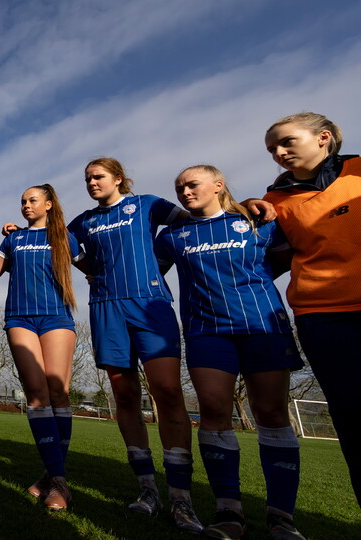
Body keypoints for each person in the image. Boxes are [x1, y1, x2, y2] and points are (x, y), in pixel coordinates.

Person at [155, 165, 305, 539]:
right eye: (179, 187)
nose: (185, 192)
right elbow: (150, 272)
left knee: (271, 412)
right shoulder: (173, 235)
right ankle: (228, 510)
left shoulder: (257, 222)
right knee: (214, 412)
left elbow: (284, 259)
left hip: (263, 326)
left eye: (192, 184)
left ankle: (281, 516)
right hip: (207, 332)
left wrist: (247, 283)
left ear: (217, 185)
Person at [66, 157, 202, 531]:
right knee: (124, 396)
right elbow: (66, 248)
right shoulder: (83, 221)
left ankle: (180, 498)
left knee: (167, 391)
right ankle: (146, 489)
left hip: (150, 304)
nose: (92, 182)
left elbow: (194, 218)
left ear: (118, 179)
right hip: (106, 308)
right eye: (87, 178)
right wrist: (89, 270)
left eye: (98, 177)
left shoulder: (147, 204)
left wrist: (244, 209)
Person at [261, 112, 361, 506]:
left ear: (323, 138)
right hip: (323, 317)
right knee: (353, 419)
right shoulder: (275, 201)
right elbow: (265, 261)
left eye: (287, 142)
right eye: (272, 149)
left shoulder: (357, 173)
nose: (279, 153)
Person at [0, 185, 77, 510]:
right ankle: (59, 481)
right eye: (22, 201)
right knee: (37, 395)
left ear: (49, 204)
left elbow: (92, 267)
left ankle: (51, 478)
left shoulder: (66, 236)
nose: (25, 205)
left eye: (32, 200)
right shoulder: (13, 239)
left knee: (59, 393)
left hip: (57, 318)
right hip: (19, 319)